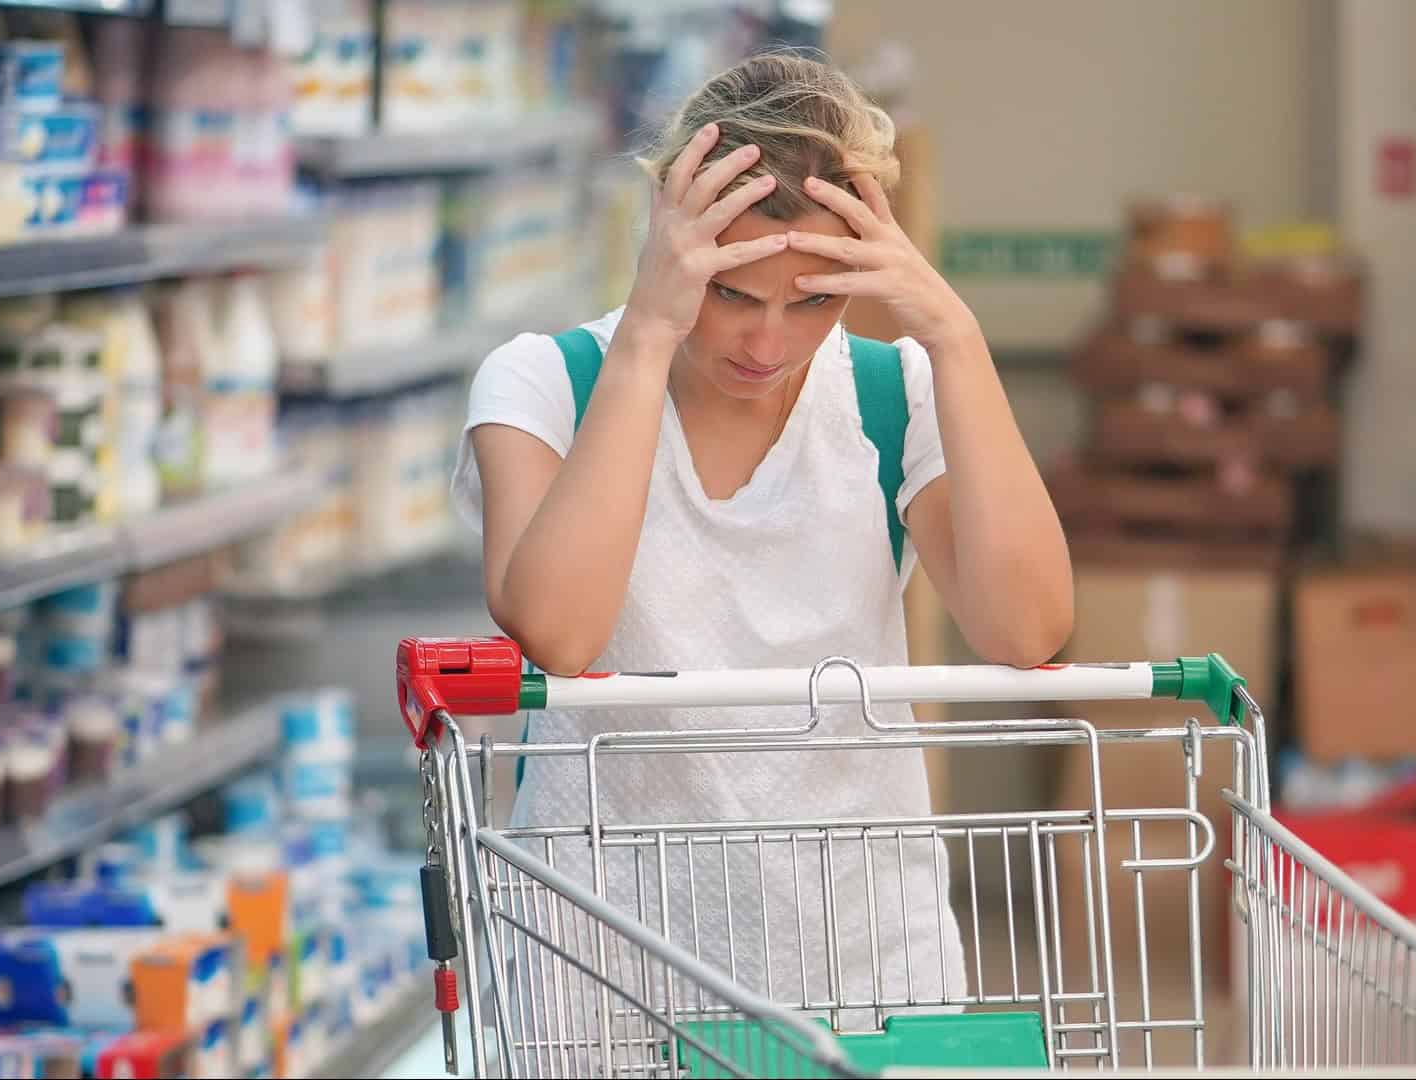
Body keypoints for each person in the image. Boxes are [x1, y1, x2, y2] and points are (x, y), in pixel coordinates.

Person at [450, 50, 1073, 1035]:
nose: (768, 345)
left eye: (814, 301)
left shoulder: (893, 395)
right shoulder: (543, 385)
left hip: (866, 961)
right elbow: (560, 634)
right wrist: (648, 335)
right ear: (667, 232)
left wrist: (955, 338)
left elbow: (1026, 628)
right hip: (603, 969)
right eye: (732, 294)